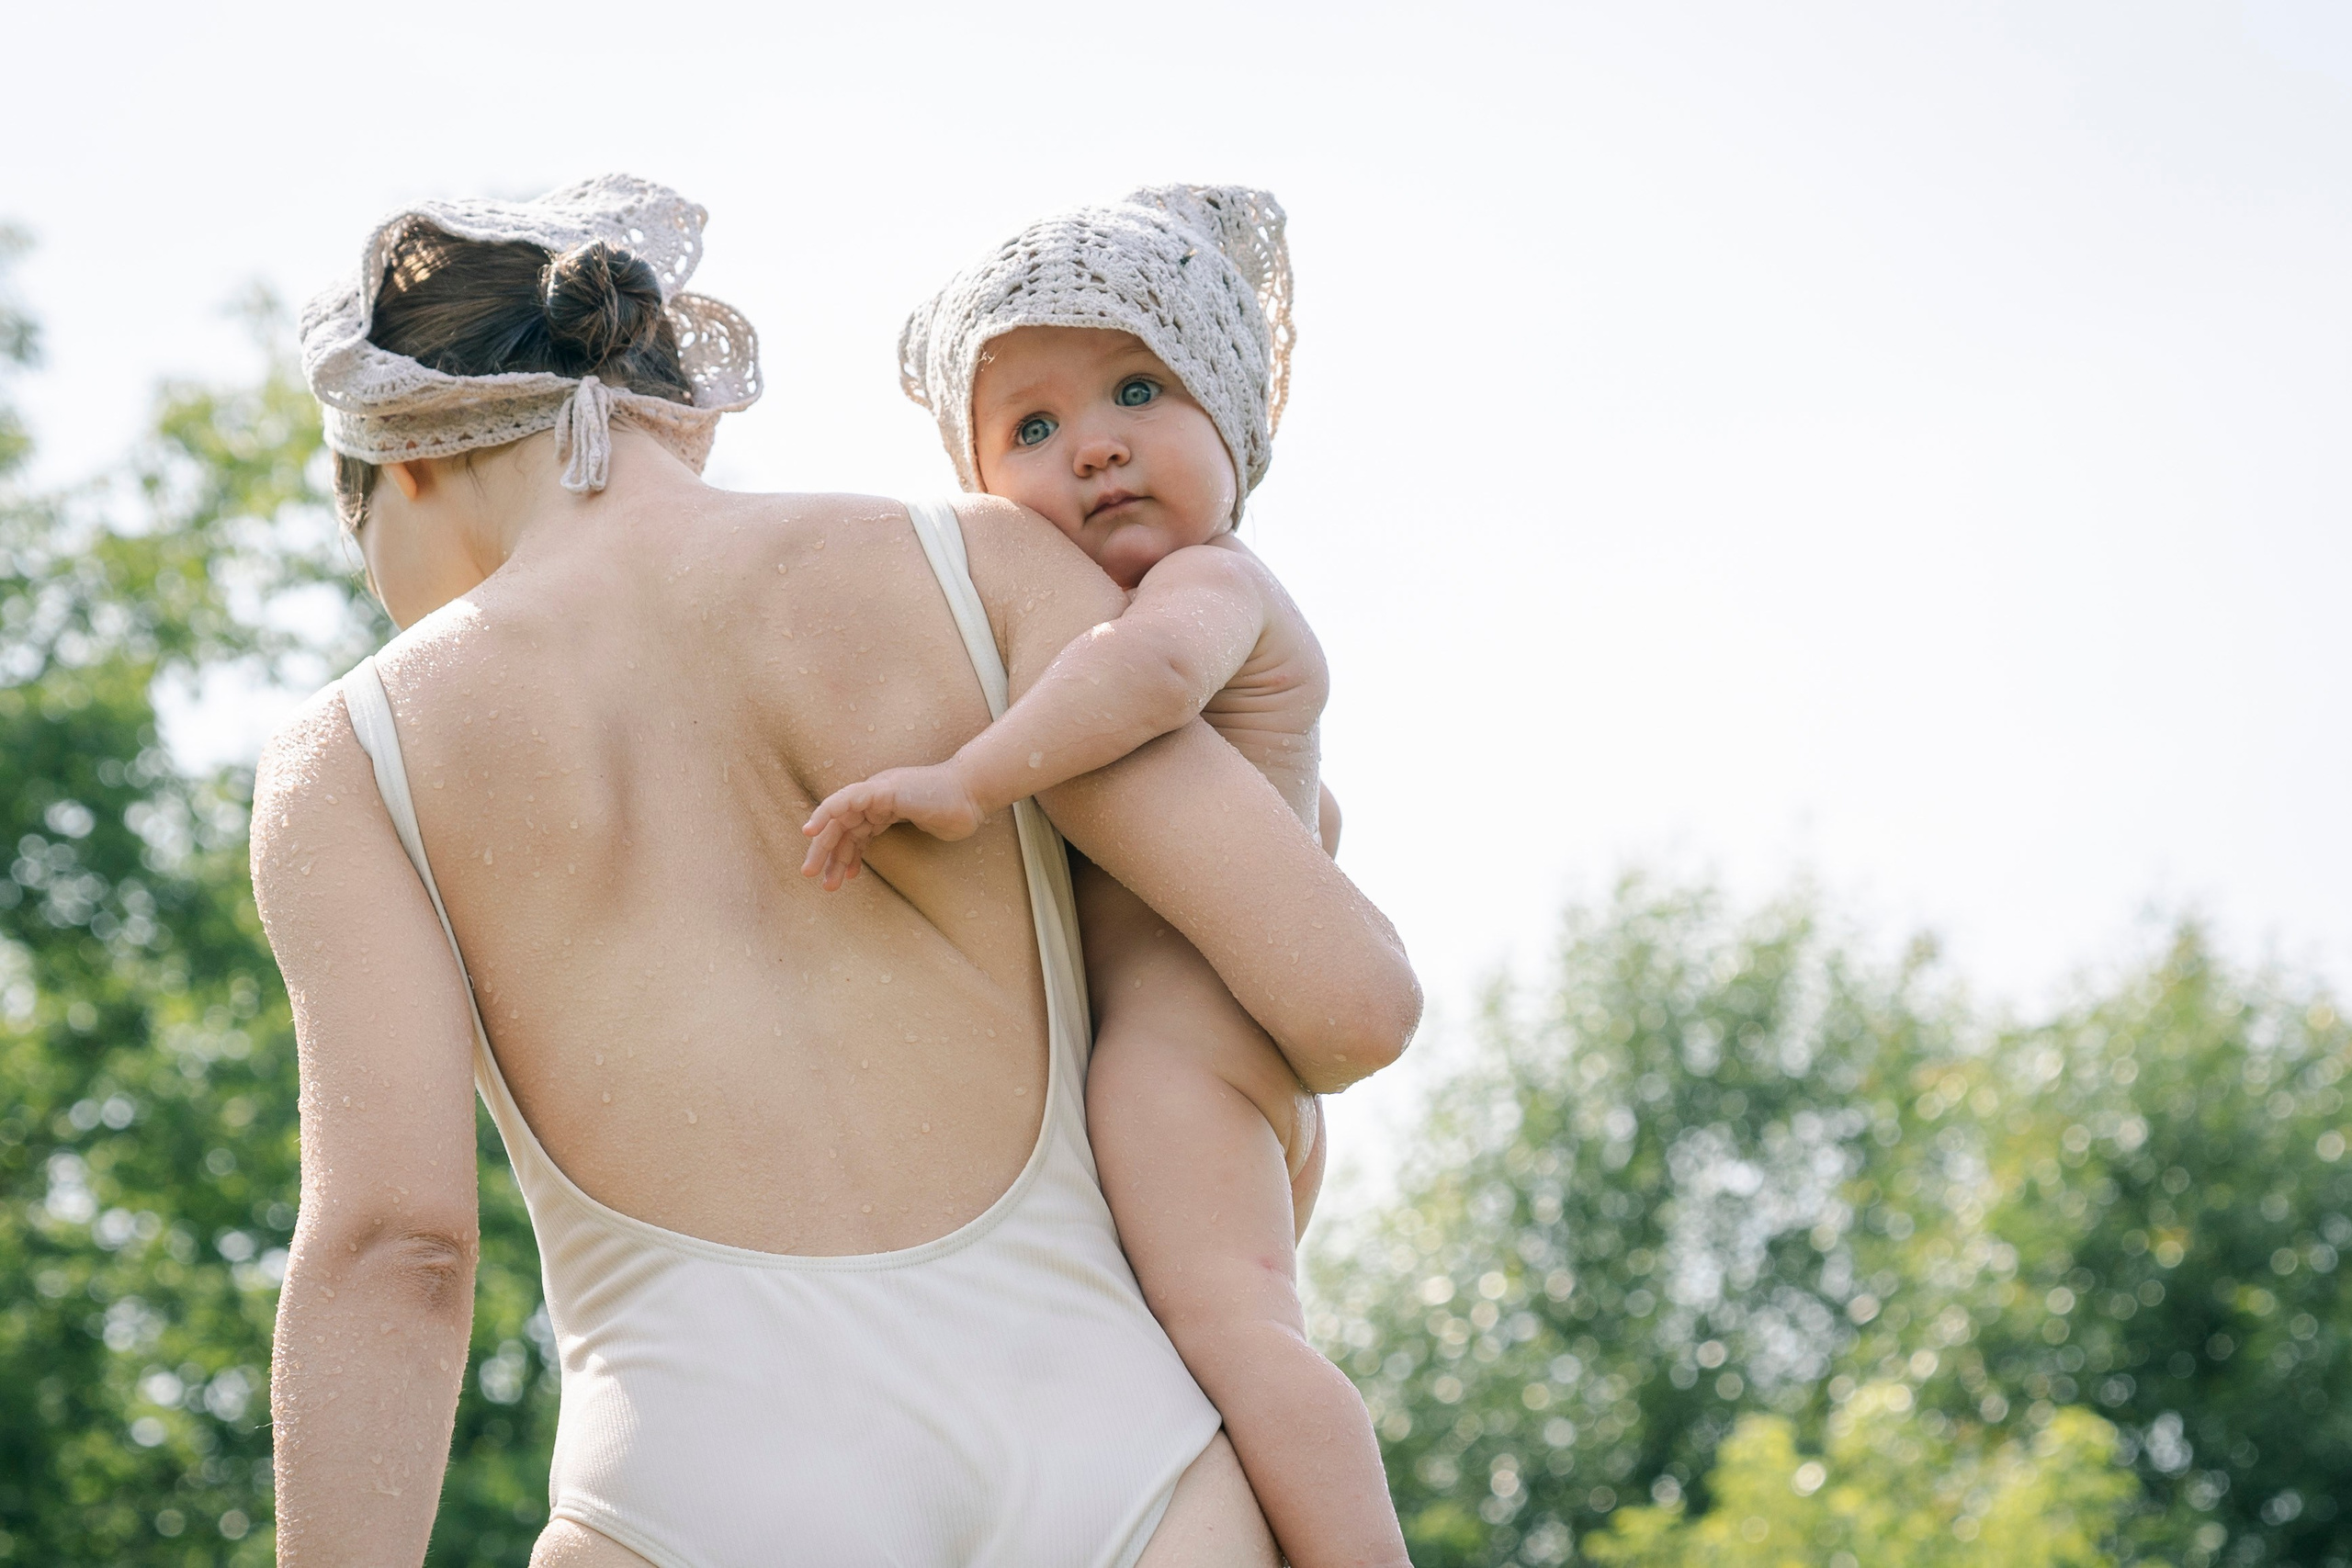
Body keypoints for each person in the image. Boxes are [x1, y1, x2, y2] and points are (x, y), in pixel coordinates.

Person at [254, 175, 1420, 1568]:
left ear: (409, 463)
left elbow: (398, 1251)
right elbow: (1347, 1000)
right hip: (1118, 1450)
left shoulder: (349, 756)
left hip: (692, 1486)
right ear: (677, 408)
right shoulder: (978, 562)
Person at [801, 186, 1408, 1568]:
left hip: (1182, 1055)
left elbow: (1135, 682)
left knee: (1240, 1338)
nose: (1095, 447)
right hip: (1224, 1056)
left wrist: (964, 780)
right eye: (1032, 428)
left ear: (1234, 426)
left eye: (1139, 388)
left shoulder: (1211, 585)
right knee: (1197, 1361)